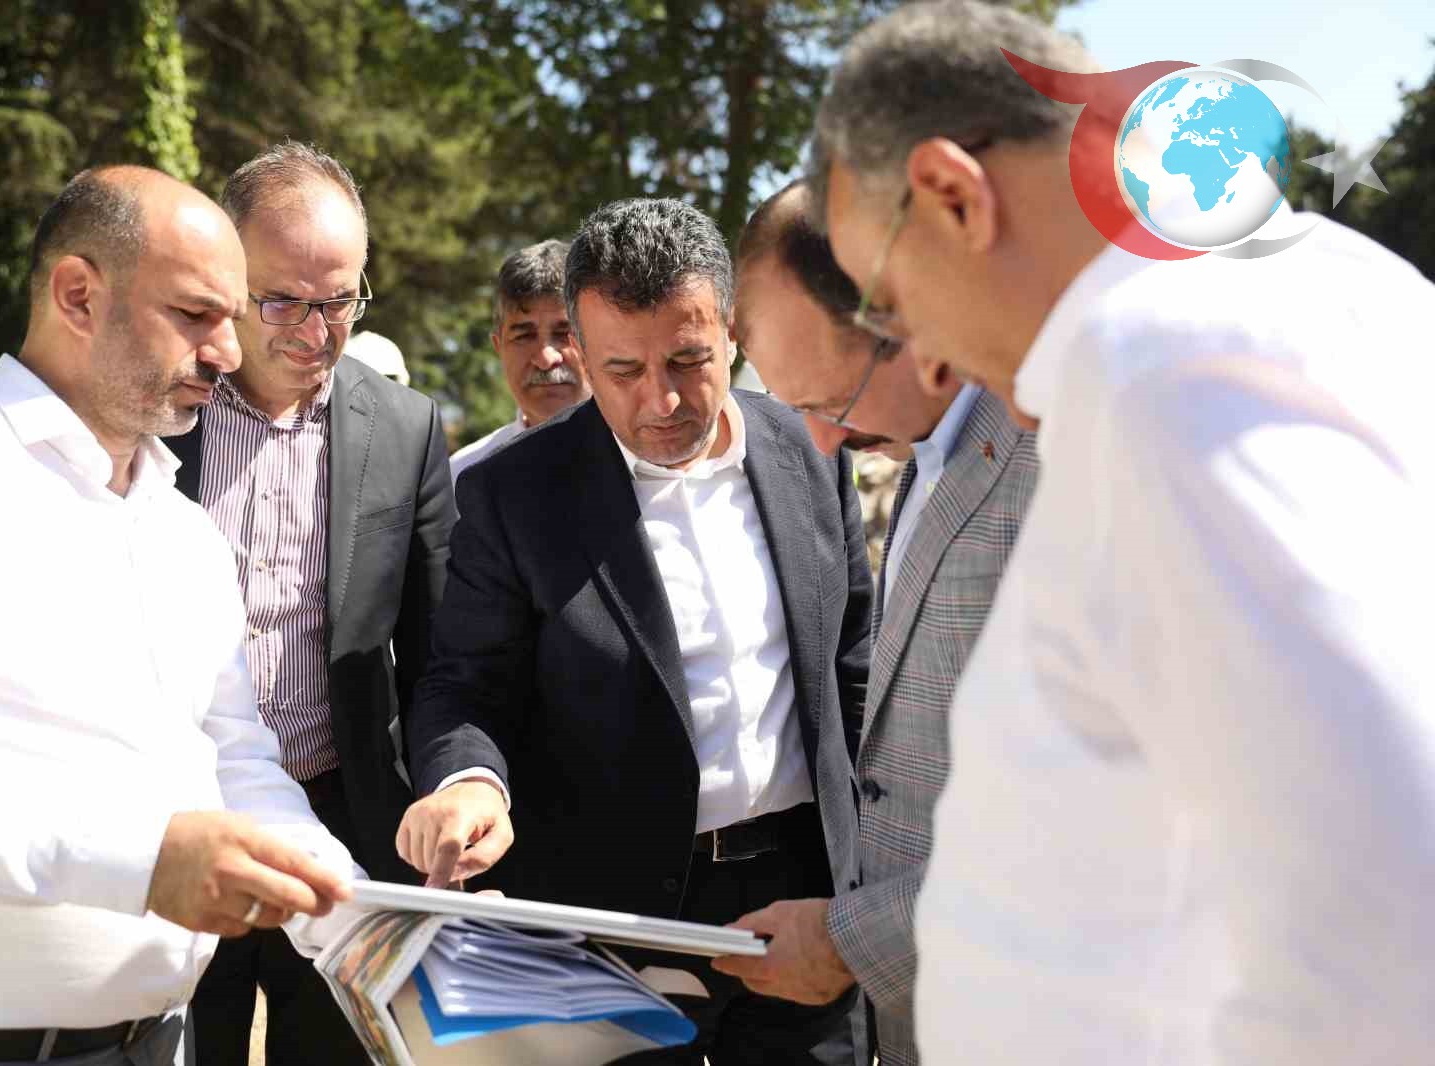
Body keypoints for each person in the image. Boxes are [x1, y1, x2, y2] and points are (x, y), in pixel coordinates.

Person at [813, 3, 1435, 1064]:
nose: (924, 361)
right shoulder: (1275, 299)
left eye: (888, 305)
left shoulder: (1169, 374)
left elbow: (1391, 906)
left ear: (954, 195)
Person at [0, 166, 358, 1066]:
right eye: (196, 315)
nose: (228, 352)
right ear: (78, 295)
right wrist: (144, 861)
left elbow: (237, 761)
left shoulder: (186, 534)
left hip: (157, 1044)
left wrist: (368, 913)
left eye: (232, 319)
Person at [398, 198, 872, 1065]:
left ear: (732, 330)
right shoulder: (515, 494)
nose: (663, 399)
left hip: (804, 900)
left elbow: (855, 662)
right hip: (609, 924)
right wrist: (470, 784)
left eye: (689, 359)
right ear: (580, 355)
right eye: (623, 369)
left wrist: (875, 884)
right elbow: (465, 685)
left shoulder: (809, 446)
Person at [711, 180, 1037, 1066]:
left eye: (830, 402)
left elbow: (1103, 825)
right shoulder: (925, 446)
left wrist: (853, 941)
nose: (820, 444)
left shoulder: (1061, 463)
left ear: (912, 323)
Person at [163, 141, 457, 1066]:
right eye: (283, 300)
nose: (316, 331)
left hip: (343, 828)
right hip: (180, 821)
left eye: (339, 301)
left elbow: (440, 657)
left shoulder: (405, 430)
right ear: (228, 280)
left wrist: (449, 792)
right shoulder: (157, 409)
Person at [447, 239, 591, 481]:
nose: (546, 358)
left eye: (564, 333)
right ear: (498, 346)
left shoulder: (650, 466)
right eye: (524, 336)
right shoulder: (463, 476)